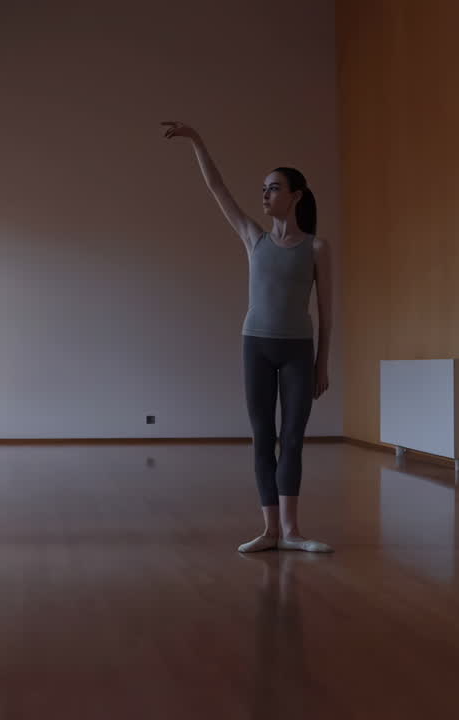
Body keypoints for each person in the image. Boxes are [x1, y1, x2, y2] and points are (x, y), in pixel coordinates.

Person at [163, 121, 332, 553]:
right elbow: (217, 188)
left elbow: (326, 311)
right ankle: (270, 530)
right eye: (263, 188)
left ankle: (293, 532)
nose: (265, 195)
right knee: (263, 437)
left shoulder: (316, 248)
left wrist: (322, 363)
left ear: (295, 195)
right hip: (255, 346)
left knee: (291, 438)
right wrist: (198, 140)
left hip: (298, 350)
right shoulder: (253, 238)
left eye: (274, 188)